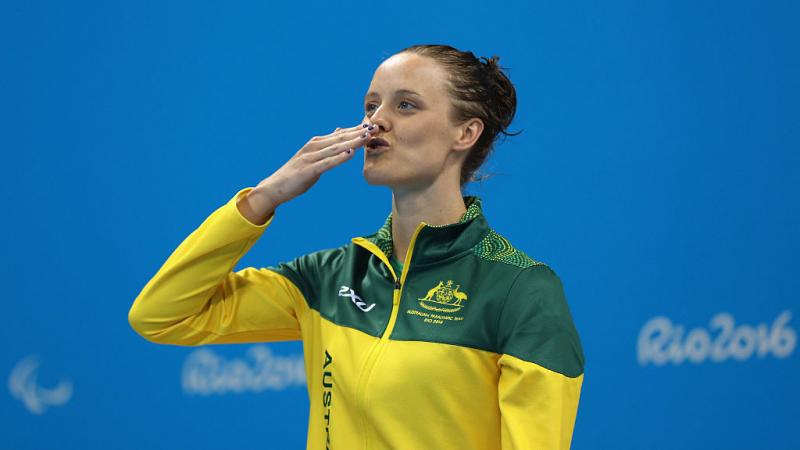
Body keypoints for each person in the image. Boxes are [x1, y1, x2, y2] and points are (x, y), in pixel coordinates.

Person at [128, 44, 585, 450]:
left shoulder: (521, 290)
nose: (375, 120)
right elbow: (161, 316)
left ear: (464, 134)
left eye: (406, 105)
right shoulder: (327, 280)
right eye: (371, 104)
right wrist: (263, 197)